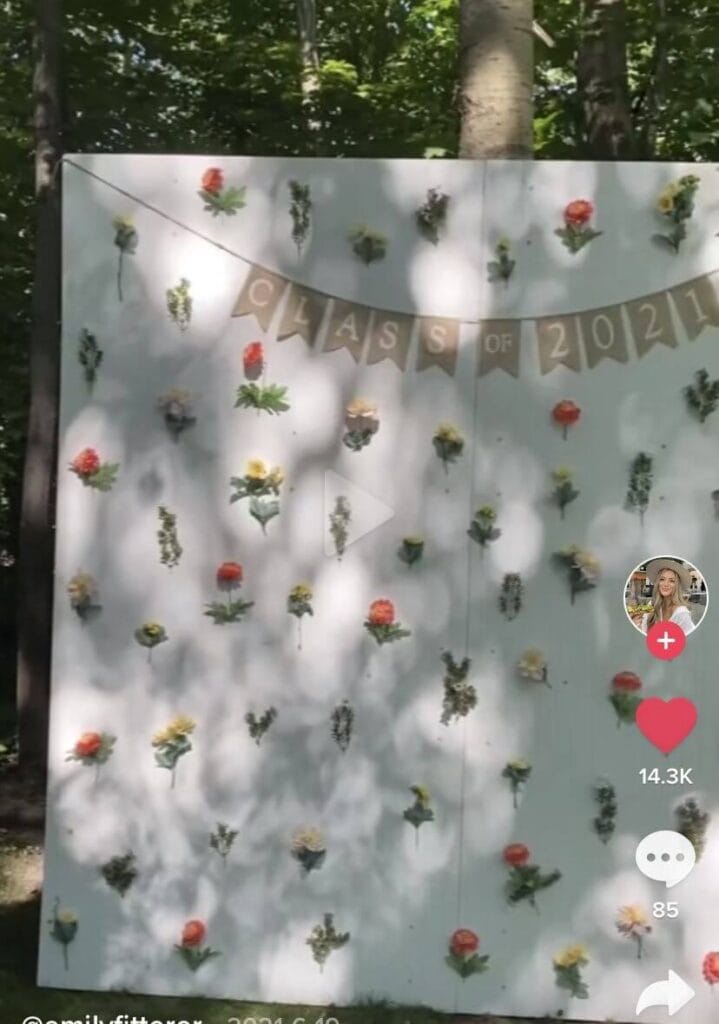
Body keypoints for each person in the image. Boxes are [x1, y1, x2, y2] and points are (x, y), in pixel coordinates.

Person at [632, 558, 695, 635]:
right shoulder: (652, 604)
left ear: (677, 585)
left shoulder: (681, 613)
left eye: (672, 581)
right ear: (658, 582)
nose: (666, 584)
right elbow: (642, 627)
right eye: (662, 579)